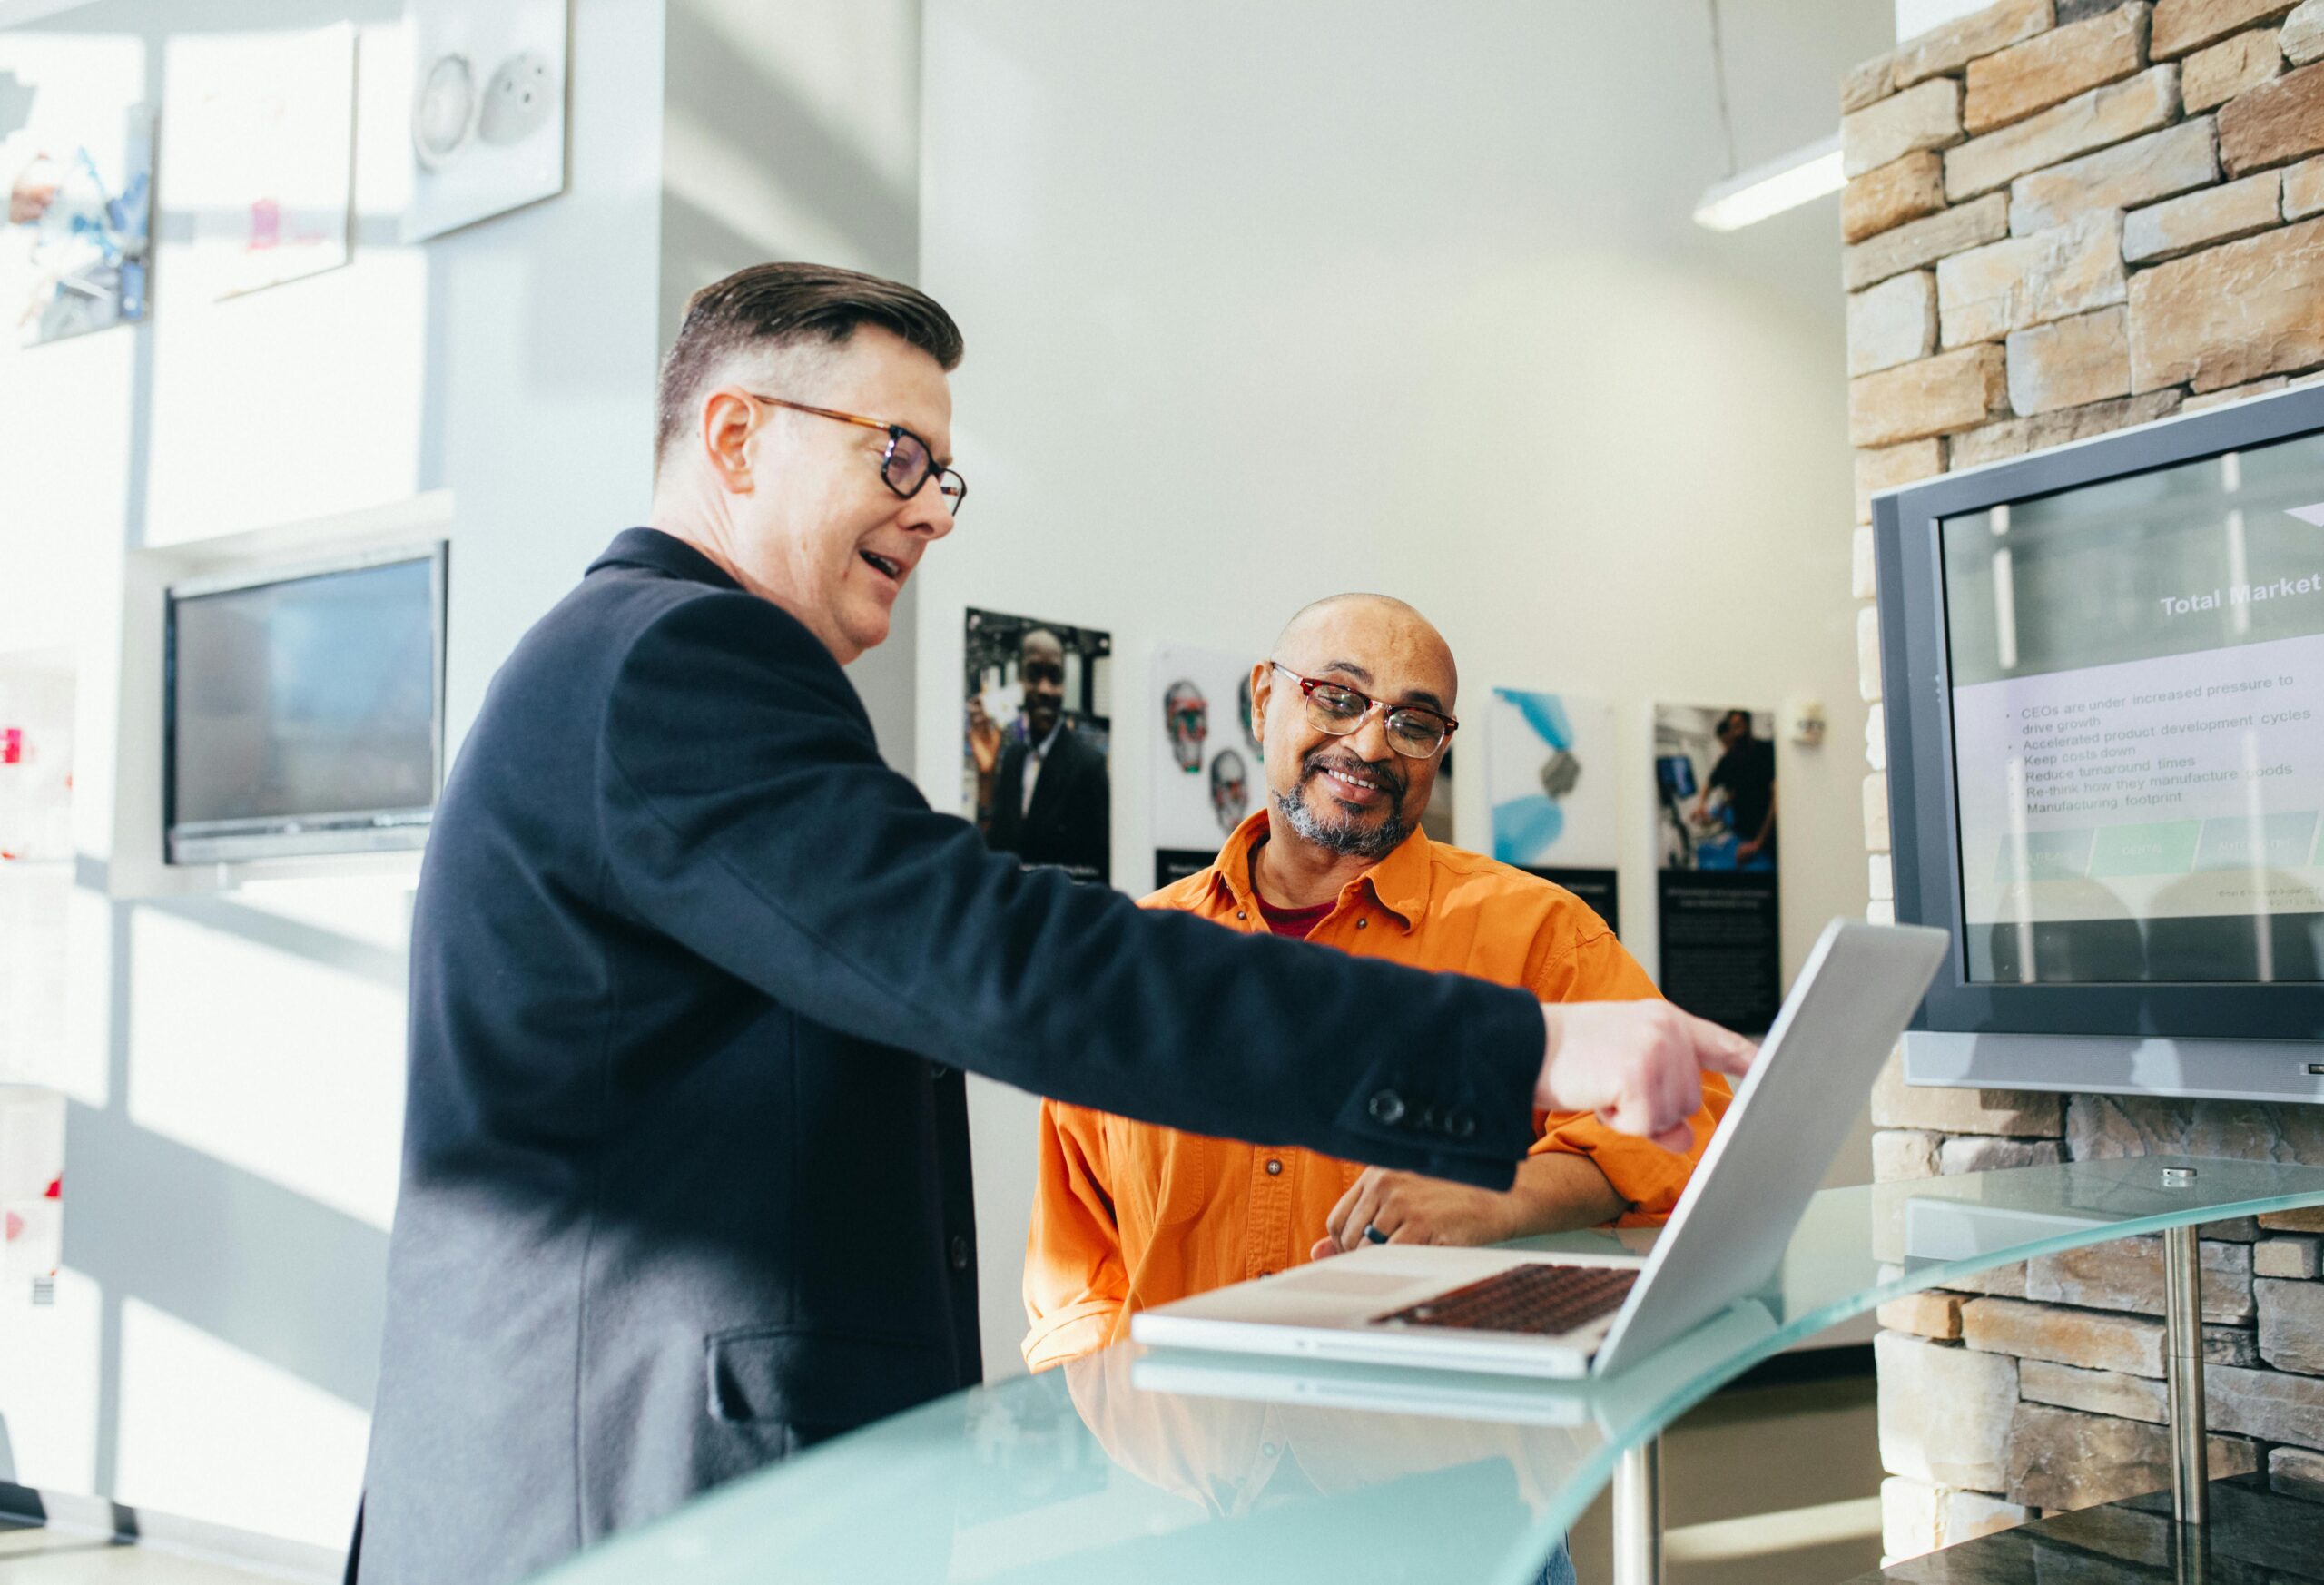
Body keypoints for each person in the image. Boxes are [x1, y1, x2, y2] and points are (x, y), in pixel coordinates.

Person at [350, 262, 1754, 1585]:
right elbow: (1005, 961)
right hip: (632, 1490)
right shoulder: (677, 659)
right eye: (895, 453)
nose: (935, 509)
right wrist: (1523, 1051)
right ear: (733, 438)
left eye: (942, 472)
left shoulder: (638, 665)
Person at [1022, 596, 1729, 1372]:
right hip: (1183, 1464)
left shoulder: (1538, 934)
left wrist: (1502, 1195)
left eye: (1414, 723)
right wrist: (1117, 1435)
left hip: (1433, 1457)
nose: (1369, 744)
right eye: (1337, 697)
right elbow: (1075, 1265)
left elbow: (1693, 1121)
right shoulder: (1139, 958)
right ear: (1263, 700)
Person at [980, 626, 1109, 881]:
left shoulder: (1088, 766)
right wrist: (986, 775)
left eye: (1055, 676)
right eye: (1034, 674)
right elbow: (995, 849)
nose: (1045, 689)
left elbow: (1098, 872)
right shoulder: (1012, 758)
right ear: (1019, 679)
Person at [1695, 708, 1777, 870]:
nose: (1737, 732)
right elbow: (1711, 784)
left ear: (1748, 725)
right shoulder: (1728, 760)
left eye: (1739, 725)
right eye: (1733, 728)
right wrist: (1701, 806)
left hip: (1766, 836)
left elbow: (1777, 798)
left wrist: (1758, 843)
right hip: (1741, 834)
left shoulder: (1766, 750)